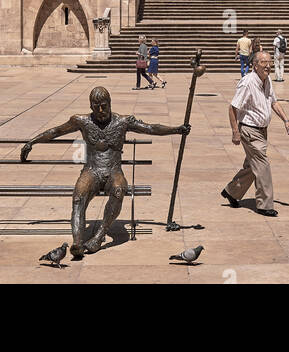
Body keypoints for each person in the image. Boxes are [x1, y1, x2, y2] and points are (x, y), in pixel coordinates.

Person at [21, 86, 188, 257]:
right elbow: (56, 131)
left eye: (104, 105)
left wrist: (177, 129)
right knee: (78, 196)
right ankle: (77, 243)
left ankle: (99, 236)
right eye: (96, 106)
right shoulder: (81, 121)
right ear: (91, 106)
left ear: (110, 103)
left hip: (113, 170)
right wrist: (32, 142)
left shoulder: (123, 121)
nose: (101, 110)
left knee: (119, 189)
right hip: (91, 170)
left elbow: (151, 128)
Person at [222, 52, 289, 217]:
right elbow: (232, 107)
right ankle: (264, 204)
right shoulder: (247, 82)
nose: (268, 65)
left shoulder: (266, 79)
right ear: (255, 65)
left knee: (252, 166)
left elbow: (273, 102)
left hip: (262, 131)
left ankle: (231, 191)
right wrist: (235, 132)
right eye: (263, 62)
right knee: (262, 166)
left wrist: (286, 120)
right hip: (249, 130)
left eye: (269, 62)